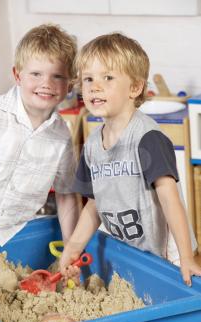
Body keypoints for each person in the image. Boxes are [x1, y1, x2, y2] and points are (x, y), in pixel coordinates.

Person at [59, 32, 201, 286]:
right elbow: (94, 206)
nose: (95, 86)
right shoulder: (92, 145)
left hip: (167, 254)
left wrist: (187, 257)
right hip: (130, 249)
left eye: (108, 78)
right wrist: (73, 247)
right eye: (89, 78)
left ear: (135, 88)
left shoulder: (147, 138)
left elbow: (169, 199)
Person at [0, 24, 79, 246]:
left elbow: (66, 194)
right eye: (36, 74)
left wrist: (71, 246)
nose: (46, 84)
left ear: (69, 85)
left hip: (17, 234)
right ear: (17, 75)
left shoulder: (62, 136)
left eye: (57, 76)